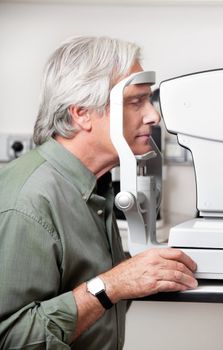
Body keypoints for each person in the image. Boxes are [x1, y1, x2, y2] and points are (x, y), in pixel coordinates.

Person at [0, 36, 198, 349]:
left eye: (150, 101)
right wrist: (112, 284)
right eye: (136, 102)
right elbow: (10, 338)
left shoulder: (95, 187)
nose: (153, 116)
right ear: (81, 113)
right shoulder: (28, 203)